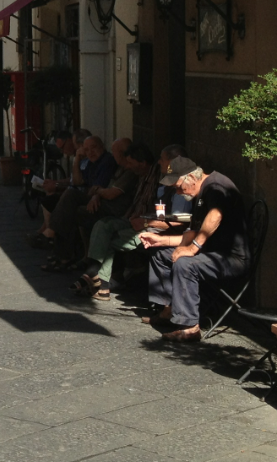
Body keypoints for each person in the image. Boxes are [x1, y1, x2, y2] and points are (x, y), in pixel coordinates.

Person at [139, 158, 250, 341]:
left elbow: (215, 216)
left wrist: (193, 248)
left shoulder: (215, 185)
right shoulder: (198, 193)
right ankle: (169, 309)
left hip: (231, 258)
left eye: (177, 186)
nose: (177, 191)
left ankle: (190, 327)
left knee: (185, 263)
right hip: (210, 252)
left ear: (190, 177)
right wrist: (161, 240)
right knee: (160, 253)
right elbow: (192, 233)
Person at [72, 143, 163, 299]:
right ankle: (95, 274)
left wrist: (145, 221)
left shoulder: (158, 178)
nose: (127, 166)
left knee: (107, 238)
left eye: (131, 163)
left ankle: (99, 282)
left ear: (142, 162)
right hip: (131, 218)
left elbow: (161, 213)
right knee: (102, 225)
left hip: (146, 224)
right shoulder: (140, 175)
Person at [40, 137, 131, 270]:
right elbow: (77, 182)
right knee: (68, 208)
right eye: (86, 149)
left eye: (93, 148)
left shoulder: (109, 161)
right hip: (95, 199)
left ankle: (56, 242)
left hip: (108, 206)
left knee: (71, 201)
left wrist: (97, 193)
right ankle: (61, 252)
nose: (90, 152)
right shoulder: (91, 162)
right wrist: (77, 159)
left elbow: (105, 191)